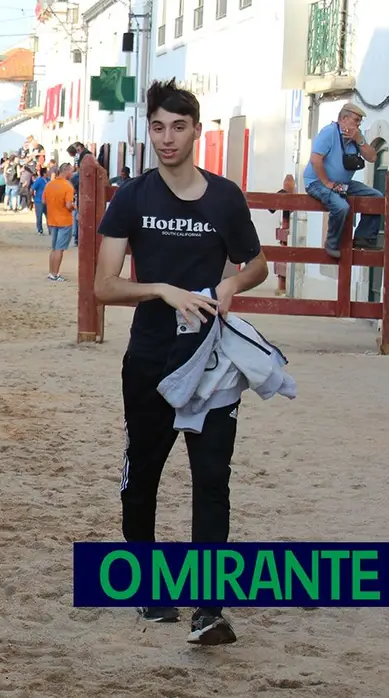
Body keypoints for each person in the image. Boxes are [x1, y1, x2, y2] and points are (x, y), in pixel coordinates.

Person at [93, 79, 269, 646]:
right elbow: (102, 286)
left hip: (212, 363)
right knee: (142, 476)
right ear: (149, 131)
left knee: (212, 480)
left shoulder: (225, 198)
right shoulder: (133, 197)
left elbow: (258, 263)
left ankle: (208, 609)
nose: (167, 138)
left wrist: (232, 281)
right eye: (158, 127)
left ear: (197, 130)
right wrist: (163, 289)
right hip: (149, 360)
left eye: (179, 126)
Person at [303, 103, 380, 259]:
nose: (358, 124)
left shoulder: (356, 137)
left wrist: (360, 140)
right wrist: (327, 183)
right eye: (356, 120)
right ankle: (332, 243)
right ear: (344, 119)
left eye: (360, 122)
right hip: (317, 181)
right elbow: (316, 160)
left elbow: (372, 157)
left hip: (342, 183)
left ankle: (363, 237)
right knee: (341, 207)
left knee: (376, 197)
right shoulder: (329, 133)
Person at [43, 163, 76, 282]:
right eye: (71, 171)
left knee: (54, 248)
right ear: (66, 171)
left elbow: (44, 200)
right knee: (59, 249)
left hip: (52, 219)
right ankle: (55, 274)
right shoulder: (68, 186)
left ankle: (51, 272)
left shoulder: (49, 184)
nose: (72, 173)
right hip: (64, 220)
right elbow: (68, 205)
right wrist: (74, 207)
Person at [31, 167, 49, 235]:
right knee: (39, 216)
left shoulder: (48, 180)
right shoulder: (39, 180)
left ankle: (50, 229)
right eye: (47, 172)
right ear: (44, 173)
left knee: (48, 216)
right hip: (39, 200)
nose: (48, 173)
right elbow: (32, 188)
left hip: (47, 201)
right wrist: (33, 197)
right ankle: (40, 230)